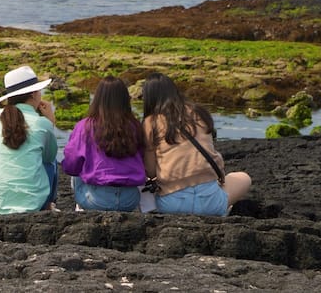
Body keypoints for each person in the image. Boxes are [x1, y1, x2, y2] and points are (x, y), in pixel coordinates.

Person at [140, 73, 252, 216]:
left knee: (140, 191)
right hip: (211, 202)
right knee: (243, 177)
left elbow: (150, 171)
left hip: (171, 205)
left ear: (149, 98)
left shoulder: (150, 122)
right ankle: (222, 210)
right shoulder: (199, 111)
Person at [0, 65, 59, 214]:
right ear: (33, 94)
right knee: (50, 161)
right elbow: (49, 157)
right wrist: (51, 123)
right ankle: (47, 205)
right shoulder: (42, 123)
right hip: (33, 204)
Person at [61, 77, 146, 212]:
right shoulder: (134, 126)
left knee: (77, 171)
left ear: (98, 98)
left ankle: (81, 210)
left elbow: (71, 166)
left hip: (96, 200)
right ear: (125, 99)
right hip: (130, 199)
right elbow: (143, 160)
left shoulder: (85, 126)